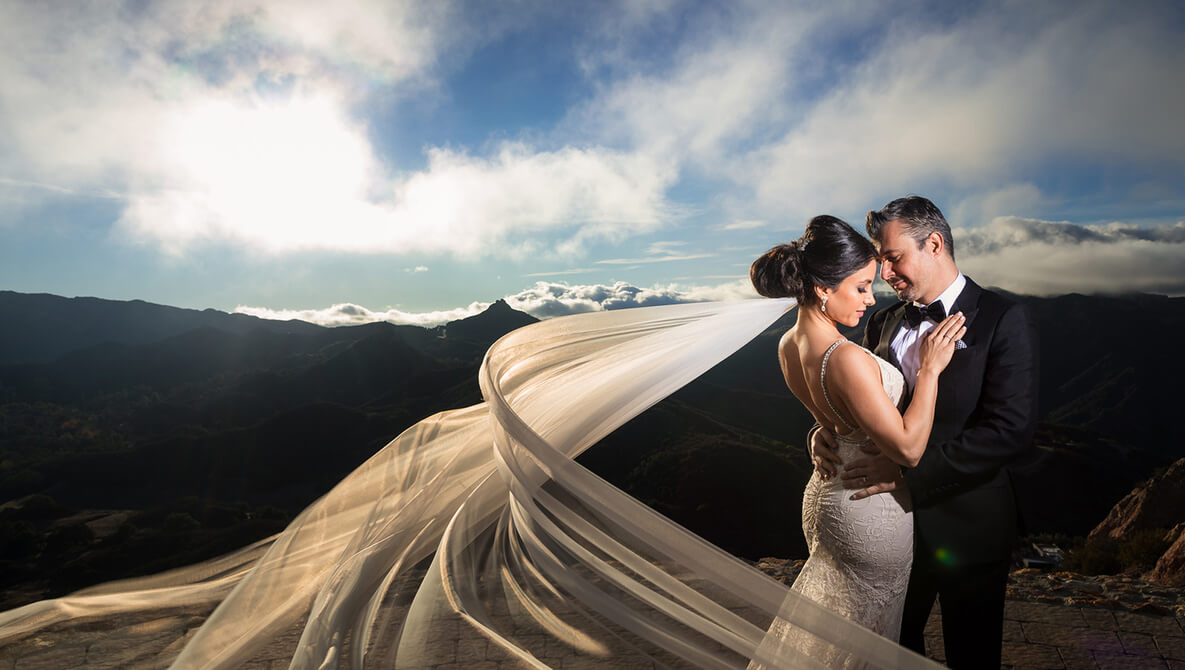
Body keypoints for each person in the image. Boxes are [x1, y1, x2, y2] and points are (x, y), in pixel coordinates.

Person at [812, 196, 1039, 669]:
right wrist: (824, 429)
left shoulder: (1002, 318)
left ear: (934, 244)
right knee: (892, 651)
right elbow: (859, 398)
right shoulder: (882, 321)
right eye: (881, 263)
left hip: (970, 527)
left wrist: (908, 475)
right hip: (890, 529)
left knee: (972, 655)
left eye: (893, 258)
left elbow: (1009, 432)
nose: (885, 275)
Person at [748, 215, 966, 667]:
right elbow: (906, 449)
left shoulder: (788, 343)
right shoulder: (844, 356)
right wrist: (929, 371)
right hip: (868, 509)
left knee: (836, 642)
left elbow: (834, 420)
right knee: (866, 647)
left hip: (826, 496)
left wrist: (817, 434)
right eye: (861, 287)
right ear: (824, 289)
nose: (870, 299)